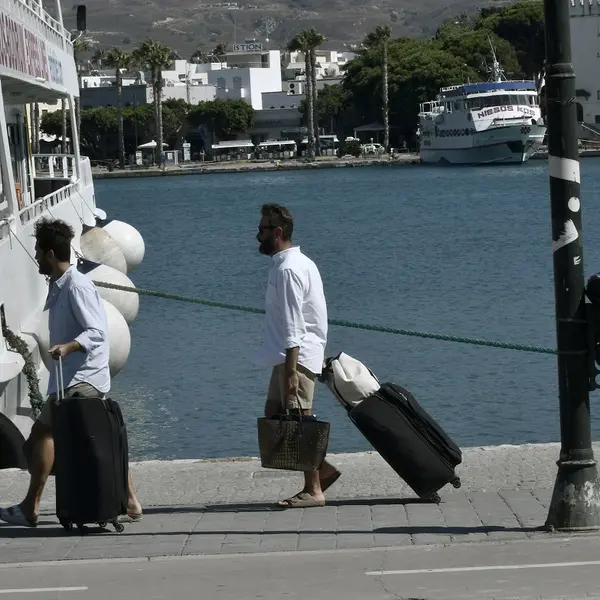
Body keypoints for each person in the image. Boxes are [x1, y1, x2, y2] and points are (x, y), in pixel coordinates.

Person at [0, 218, 142, 527]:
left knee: (42, 433)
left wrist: (69, 346)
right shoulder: (61, 284)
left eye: (38, 251)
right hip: (73, 379)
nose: (36, 256)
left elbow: (97, 331)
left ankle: (30, 507)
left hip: (81, 379)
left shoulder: (77, 286)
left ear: (51, 254)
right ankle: (130, 500)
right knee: (99, 439)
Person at [256, 203, 340, 508]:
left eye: (263, 229)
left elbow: (295, 324)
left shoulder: (290, 268)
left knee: (300, 420)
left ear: (278, 232)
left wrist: (291, 371)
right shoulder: (289, 263)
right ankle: (324, 468)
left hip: (297, 356)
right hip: (287, 355)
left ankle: (314, 489)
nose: (257, 234)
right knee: (274, 416)